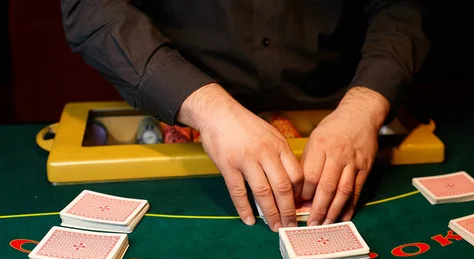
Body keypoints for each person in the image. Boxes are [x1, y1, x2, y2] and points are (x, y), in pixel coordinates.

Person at [61, 0, 430, 231]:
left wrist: (365, 106)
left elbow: (401, 6)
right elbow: (93, 7)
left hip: (337, 111)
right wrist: (210, 110)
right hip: (182, 110)